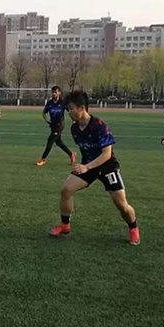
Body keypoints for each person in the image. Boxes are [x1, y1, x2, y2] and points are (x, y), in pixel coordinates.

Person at [49, 90, 140, 246]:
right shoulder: (74, 129)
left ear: (82, 107)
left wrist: (87, 167)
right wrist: (86, 167)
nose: (69, 112)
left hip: (107, 166)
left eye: (71, 108)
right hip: (88, 166)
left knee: (121, 205)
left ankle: (133, 228)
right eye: (68, 109)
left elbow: (107, 154)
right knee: (66, 190)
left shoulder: (99, 126)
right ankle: (65, 226)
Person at [37, 86, 76, 166]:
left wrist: (74, 120)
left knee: (50, 140)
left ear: (59, 93)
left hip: (60, 125)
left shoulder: (62, 102)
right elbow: (44, 113)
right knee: (58, 142)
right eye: (53, 92)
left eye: (55, 92)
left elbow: (70, 111)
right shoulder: (49, 103)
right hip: (53, 125)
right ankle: (71, 154)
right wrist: (47, 120)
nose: (54, 94)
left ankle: (43, 159)